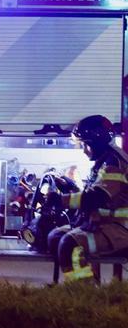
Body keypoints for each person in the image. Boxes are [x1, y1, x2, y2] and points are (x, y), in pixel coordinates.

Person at [48, 115, 128, 282]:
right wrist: (70, 189)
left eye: (84, 144)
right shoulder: (105, 161)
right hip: (103, 224)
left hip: (119, 229)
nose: (83, 150)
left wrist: (61, 200)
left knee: (69, 245)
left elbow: (97, 197)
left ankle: (84, 292)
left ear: (96, 143)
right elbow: (95, 195)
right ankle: (90, 284)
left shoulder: (113, 163)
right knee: (54, 237)